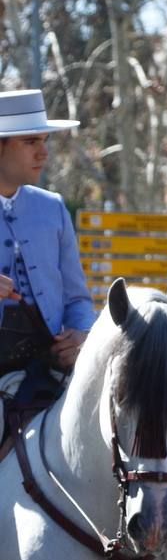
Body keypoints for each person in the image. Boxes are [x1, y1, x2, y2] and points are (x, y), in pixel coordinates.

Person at [0, 89, 94, 391]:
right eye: (30, 142)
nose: (44, 153)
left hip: (50, 369)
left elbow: (77, 298)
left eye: (44, 141)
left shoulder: (53, 207)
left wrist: (80, 335)